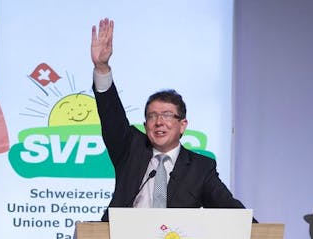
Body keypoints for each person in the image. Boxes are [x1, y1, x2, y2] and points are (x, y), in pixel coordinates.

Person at [90, 18, 248, 221]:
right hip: (122, 237)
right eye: (152, 116)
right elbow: (111, 116)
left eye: (167, 115)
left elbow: (229, 208)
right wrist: (102, 68)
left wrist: (262, 232)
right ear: (145, 124)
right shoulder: (130, 149)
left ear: (182, 125)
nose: (159, 122)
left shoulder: (200, 168)